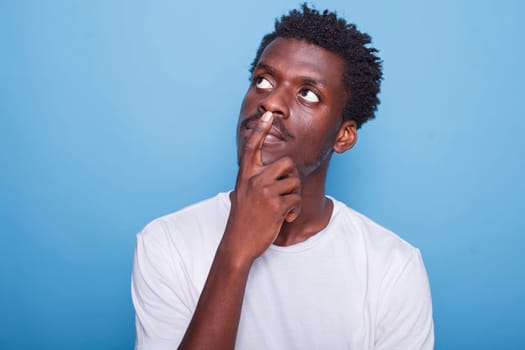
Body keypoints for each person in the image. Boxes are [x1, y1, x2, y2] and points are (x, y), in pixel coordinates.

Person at [131, 4, 434, 350]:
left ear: (343, 136)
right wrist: (235, 254)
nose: (271, 102)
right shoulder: (167, 242)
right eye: (263, 80)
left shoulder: (392, 269)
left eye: (308, 93)